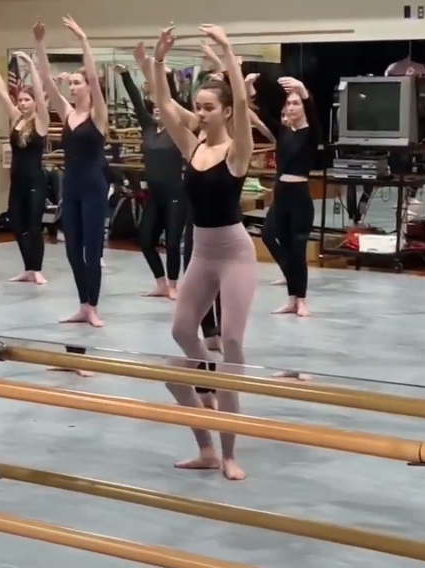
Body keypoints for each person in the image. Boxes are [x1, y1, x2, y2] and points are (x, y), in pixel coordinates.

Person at [154, 24, 257, 481]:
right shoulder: (192, 148)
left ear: (226, 112)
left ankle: (231, 452)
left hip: (234, 252)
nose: (200, 112)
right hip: (201, 250)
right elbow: (161, 105)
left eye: (208, 107)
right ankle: (206, 447)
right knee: (181, 333)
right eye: (198, 106)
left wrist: (229, 52)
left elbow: (241, 99)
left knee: (232, 343)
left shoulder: (238, 151)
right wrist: (158, 62)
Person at [34, 16, 109, 327]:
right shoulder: (66, 112)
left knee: (93, 251)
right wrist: (39, 43)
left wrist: (83, 41)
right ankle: (82, 304)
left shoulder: (98, 115)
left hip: (93, 186)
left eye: (78, 82)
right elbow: (48, 82)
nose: (73, 85)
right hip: (72, 187)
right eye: (73, 82)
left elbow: (93, 76)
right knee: (72, 251)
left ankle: (94, 306)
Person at [121, 44, 186, 300]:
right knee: (145, 239)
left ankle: (173, 284)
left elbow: (170, 99)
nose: (158, 107)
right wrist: (126, 76)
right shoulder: (148, 127)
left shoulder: (178, 129)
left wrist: (164, 77)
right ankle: (160, 282)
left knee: (171, 243)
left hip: (175, 193)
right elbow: (137, 102)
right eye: (155, 104)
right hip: (155, 194)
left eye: (163, 104)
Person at [0, 51, 49, 285]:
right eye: (21, 100)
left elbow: (42, 96)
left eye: (26, 100)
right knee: (17, 225)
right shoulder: (16, 119)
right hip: (17, 181)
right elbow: (3, 93)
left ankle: (37, 269)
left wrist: (31, 64)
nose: (22, 103)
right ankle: (28, 267)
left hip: (35, 181)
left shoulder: (41, 121)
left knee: (34, 226)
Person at [260, 76, 319, 318]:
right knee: (274, 237)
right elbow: (264, 115)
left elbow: (314, 118)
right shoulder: (284, 132)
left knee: (297, 249)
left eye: (296, 103)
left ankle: (301, 300)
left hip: (299, 197)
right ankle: (291, 297)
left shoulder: (310, 133)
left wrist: (304, 92)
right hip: (281, 195)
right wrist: (250, 91)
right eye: (289, 104)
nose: (292, 107)